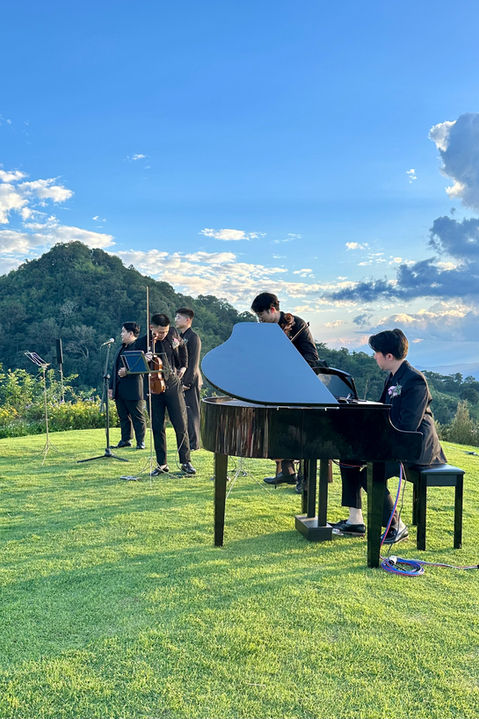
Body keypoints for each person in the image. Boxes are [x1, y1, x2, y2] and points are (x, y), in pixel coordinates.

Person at [333, 328, 447, 545]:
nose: (374, 357)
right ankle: (355, 520)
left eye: (376, 352)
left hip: (415, 448)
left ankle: (397, 526)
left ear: (388, 356)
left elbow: (408, 426)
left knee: (370, 474)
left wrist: (377, 442)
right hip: (395, 441)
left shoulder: (415, 380)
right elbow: (382, 410)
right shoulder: (394, 377)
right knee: (349, 456)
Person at [250, 292, 325, 487]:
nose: (260, 320)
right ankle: (287, 471)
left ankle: (305, 479)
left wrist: (291, 365)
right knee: (277, 428)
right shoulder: (266, 331)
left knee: (301, 431)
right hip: (279, 387)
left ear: (272, 310)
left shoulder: (297, 324)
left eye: (261, 316)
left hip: (301, 386)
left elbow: (312, 357)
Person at [135, 313, 196, 476]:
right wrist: (144, 359)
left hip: (172, 383)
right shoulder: (141, 343)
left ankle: (186, 462)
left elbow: (182, 347)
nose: (163, 335)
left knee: (180, 423)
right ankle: (162, 464)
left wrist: (183, 366)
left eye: (165, 331)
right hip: (153, 387)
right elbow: (134, 368)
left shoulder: (173, 334)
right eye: (160, 332)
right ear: (151, 328)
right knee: (157, 426)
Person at [108, 321, 146, 449]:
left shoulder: (137, 346)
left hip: (133, 388)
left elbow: (141, 366)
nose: (121, 334)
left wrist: (127, 371)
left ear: (131, 333)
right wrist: (111, 387)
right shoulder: (121, 348)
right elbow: (114, 369)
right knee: (123, 416)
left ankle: (140, 441)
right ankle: (125, 439)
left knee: (137, 416)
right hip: (119, 388)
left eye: (123, 331)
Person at [175, 307, 202, 451]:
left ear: (187, 320)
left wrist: (187, 382)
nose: (175, 319)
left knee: (192, 412)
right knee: (183, 412)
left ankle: (194, 443)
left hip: (191, 379)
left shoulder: (193, 337)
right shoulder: (180, 337)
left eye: (178, 317)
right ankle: (186, 442)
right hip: (180, 379)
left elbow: (193, 362)